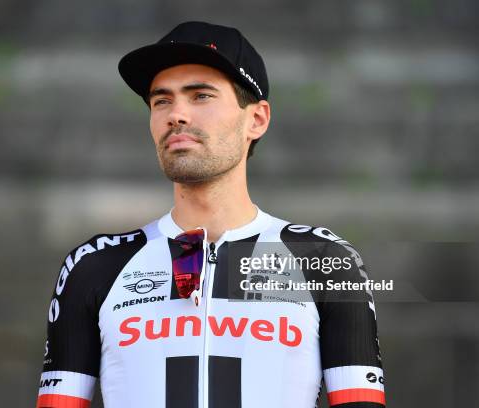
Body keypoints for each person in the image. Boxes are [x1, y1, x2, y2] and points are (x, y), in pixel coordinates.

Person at [36, 21, 385, 408]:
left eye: (201, 96)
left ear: (257, 120)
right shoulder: (93, 266)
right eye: (162, 100)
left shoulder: (324, 261)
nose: (177, 115)